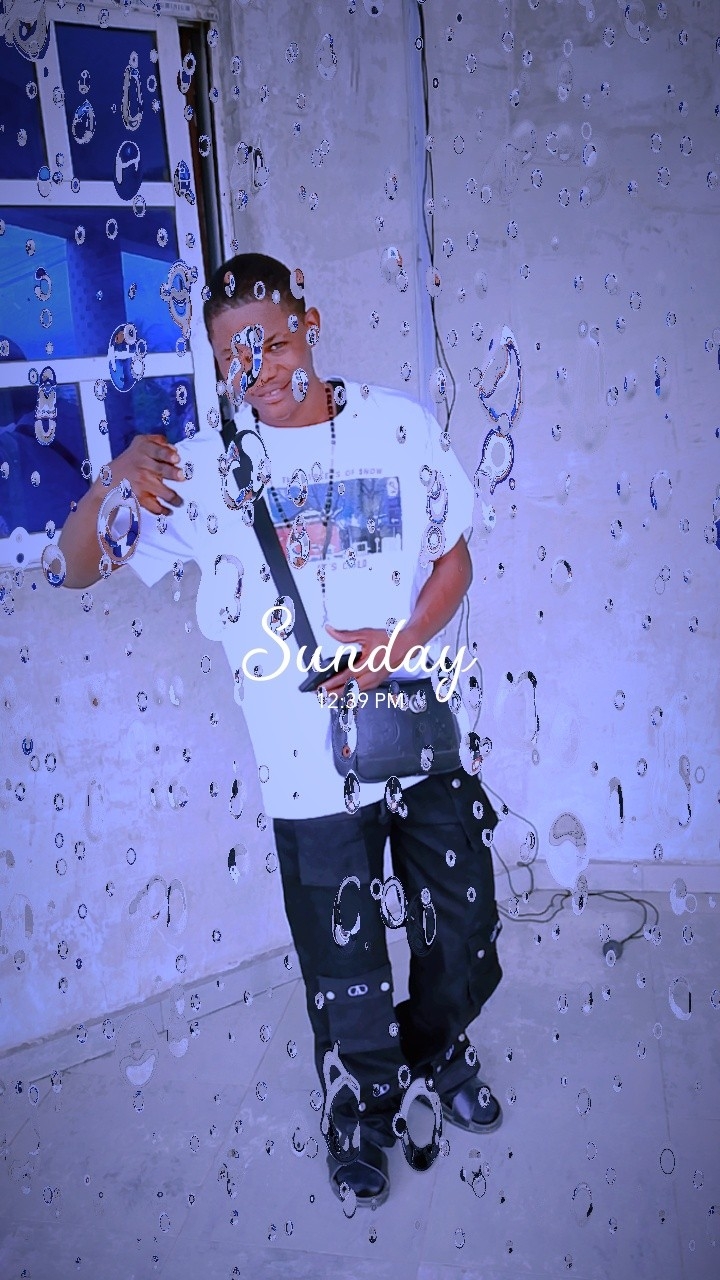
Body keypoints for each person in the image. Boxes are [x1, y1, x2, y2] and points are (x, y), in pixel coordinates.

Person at [58, 253, 504, 1207]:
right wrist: (109, 484)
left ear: (312, 322)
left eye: (271, 341)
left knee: (465, 927)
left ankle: (434, 1050)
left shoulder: (397, 426)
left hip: (418, 738)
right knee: (344, 966)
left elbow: (455, 558)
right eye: (233, 355)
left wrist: (403, 641)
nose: (255, 367)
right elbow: (79, 566)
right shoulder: (204, 469)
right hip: (306, 772)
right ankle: (360, 1107)